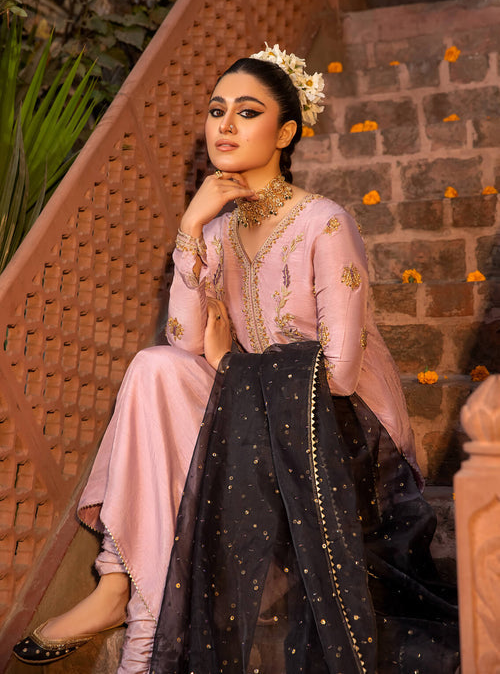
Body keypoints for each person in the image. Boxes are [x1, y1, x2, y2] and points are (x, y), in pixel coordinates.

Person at [14, 44, 459, 673]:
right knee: (154, 369)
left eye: (247, 112)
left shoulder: (325, 224)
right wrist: (191, 230)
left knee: (175, 382)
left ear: (285, 132)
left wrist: (233, 368)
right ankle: (126, 590)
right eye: (216, 110)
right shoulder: (219, 231)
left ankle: (138, 620)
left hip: (334, 438)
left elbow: (338, 375)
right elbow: (183, 342)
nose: (224, 125)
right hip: (259, 413)